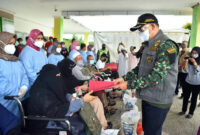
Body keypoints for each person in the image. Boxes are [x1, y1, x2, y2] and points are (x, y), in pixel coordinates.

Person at [114, 13, 179, 135]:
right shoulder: (149, 45)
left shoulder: (166, 45)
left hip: (158, 99)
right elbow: (139, 69)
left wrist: (129, 84)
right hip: (148, 95)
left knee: (152, 131)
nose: (140, 32)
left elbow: (157, 77)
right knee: (147, 129)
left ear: (153, 26)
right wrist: (122, 78)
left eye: (142, 29)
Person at [58, 59, 109, 129]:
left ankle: (103, 124)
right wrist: (81, 87)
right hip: (74, 102)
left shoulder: (70, 77)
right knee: (96, 101)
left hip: (78, 98)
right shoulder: (62, 80)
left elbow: (78, 82)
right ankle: (103, 126)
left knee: (97, 96)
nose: (72, 69)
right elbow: (69, 93)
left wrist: (85, 84)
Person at [0, 32, 29, 119]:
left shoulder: (17, 61)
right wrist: (17, 92)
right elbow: (1, 85)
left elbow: (24, 76)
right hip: (3, 103)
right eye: (9, 43)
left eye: (13, 43)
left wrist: (24, 87)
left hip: (17, 103)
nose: (12, 46)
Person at [179, 47, 200, 119]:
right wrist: (185, 62)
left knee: (194, 99)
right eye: (193, 53)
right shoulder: (189, 60)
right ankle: (183, 110)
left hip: (197, 83)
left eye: (196, 53)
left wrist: (194, 62)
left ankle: (191, 113)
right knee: (185, 97)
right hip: (188, 81)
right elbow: (185, 70)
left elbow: (197, 70)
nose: (194, 54)